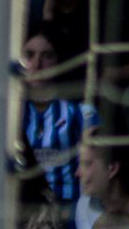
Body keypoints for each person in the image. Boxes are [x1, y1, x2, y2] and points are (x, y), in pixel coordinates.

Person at [18, 24, 93, 205]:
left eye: (47, 56)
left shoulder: (81, 112)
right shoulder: (11, 114)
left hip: (71, 209)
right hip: (24, 207)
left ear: (60, 60)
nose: (37, 65)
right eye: (29, 55)